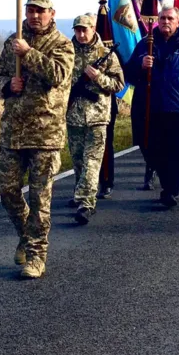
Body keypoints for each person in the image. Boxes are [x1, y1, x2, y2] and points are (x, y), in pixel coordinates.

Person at [0, 0, 74, 279]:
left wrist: (28, 54)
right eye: (30, 10)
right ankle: (26, 235)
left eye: (41, 11)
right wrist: (7, 85)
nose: (35, 16)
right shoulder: (12, 42)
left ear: (52, 13)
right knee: (7, 189)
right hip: (13, 131)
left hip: (45, 134)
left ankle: (37, 256)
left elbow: (58, 76)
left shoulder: (62, 44)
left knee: (41, 198)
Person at [124, 6, 179, 207]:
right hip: (150, 110)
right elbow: (128, 74)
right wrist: (140, 65)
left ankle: (171, 190)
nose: (165, 21)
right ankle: (165, 182)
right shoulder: (146, 44)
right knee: (152, 150)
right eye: (162, 18)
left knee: (177, 152)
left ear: (178, 21)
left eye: (170, 18)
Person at [66, 14, 125, 224]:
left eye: (85, 30)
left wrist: (98, 78)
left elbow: (119, 84)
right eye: (78, 30)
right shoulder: (66, 52)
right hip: (73, 116)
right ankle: (80, 192)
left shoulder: (105, 53)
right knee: (78, 160)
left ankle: (86, 203)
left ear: (93, 29)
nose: (81, 34)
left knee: (92, 161)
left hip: (97, 116)